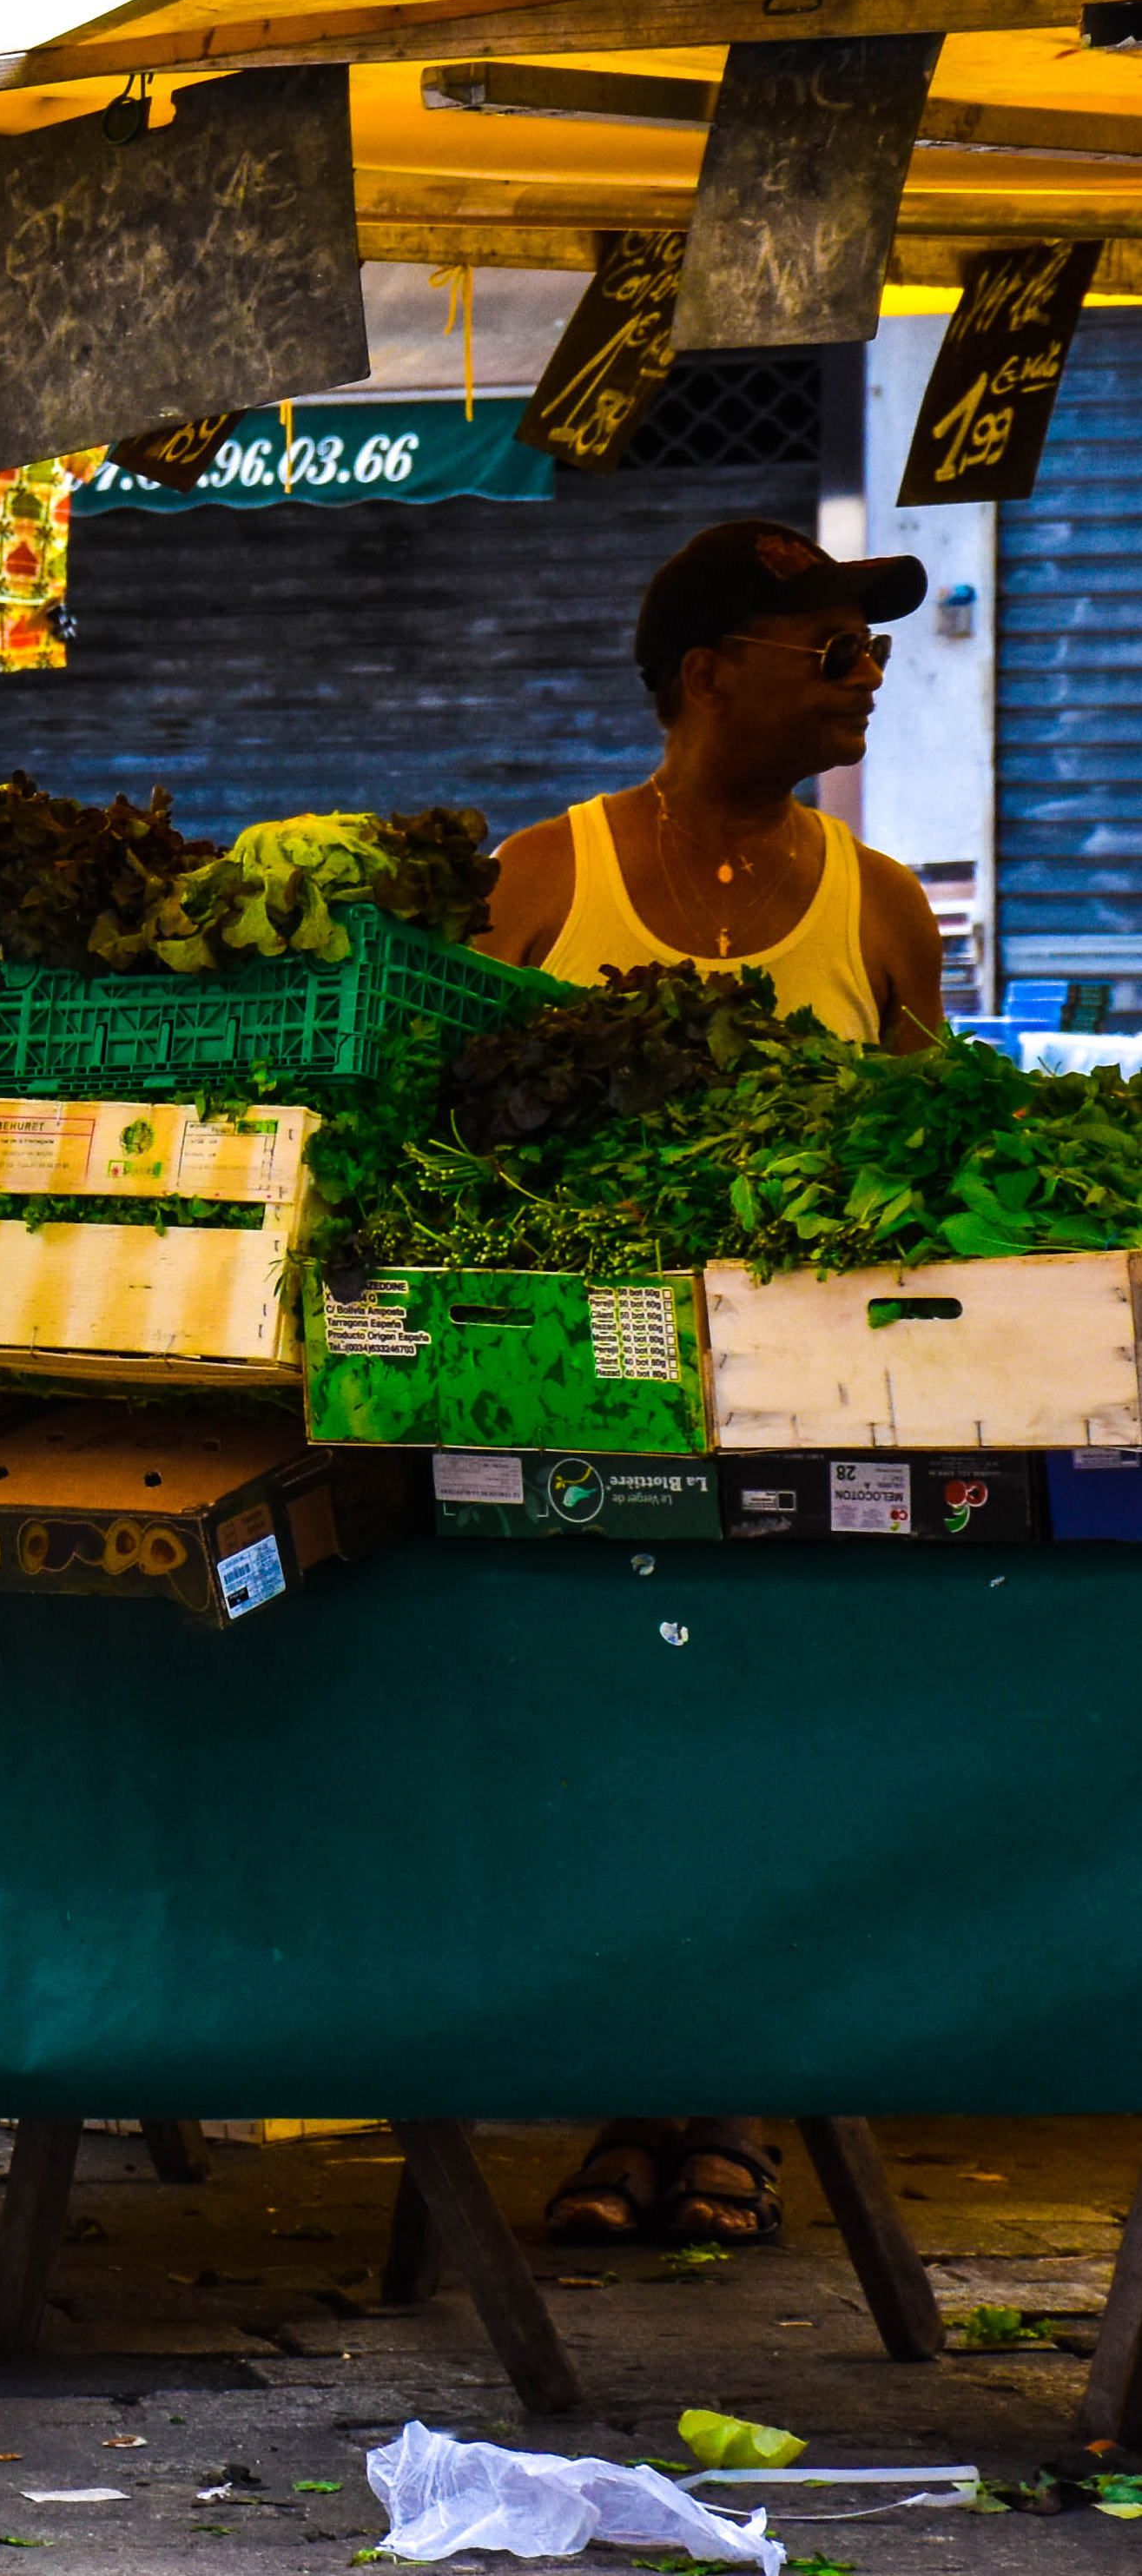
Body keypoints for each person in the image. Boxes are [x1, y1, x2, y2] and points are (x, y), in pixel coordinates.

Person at [481, 516, 942, 2247]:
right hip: (566, 1437)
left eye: (870, 646)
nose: (863, 675)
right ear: (704, 671)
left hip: (803, 1443)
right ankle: (626, 2100)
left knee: (762, 1772)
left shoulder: (880, 908)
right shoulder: (541, 879)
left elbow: (930, 1172)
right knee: (601, 1772)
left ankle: (725, 2099)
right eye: (827, 645)